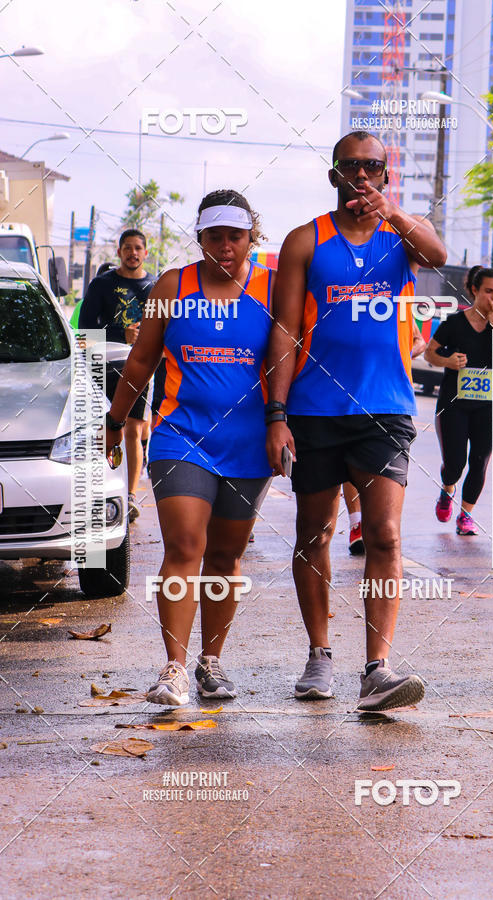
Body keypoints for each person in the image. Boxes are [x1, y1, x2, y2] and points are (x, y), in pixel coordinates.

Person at [265, 130, 446, 712]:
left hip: (386, 409)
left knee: (385, 535)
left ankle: (378, 669)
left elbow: (440, 256)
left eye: (373, 167)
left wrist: (393, 215)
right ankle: (319, 656)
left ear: (386, 176)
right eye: (351, 167)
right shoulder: (305, 241)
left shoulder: (402, 235)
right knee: (312, 535)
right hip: (314, 411)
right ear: (335, 176)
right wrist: (276, 413)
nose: (362, 176)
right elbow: (285, 331)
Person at [105, 190, 274, 706]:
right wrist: (115, 422)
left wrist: (287, 425)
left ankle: (211, 663)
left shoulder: (272, 287)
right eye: (214, 236)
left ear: (251, 237)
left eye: (235, 236)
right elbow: (141, 362)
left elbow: (291, 360)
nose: (224, 246)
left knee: (226, 556)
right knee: (184, 547)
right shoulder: (172, 285)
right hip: (181, 437)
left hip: (248, 444)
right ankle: (174, 668)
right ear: (199, 237)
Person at [423, 267, 493, 535]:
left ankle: (466, 515)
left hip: (487, 404)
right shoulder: (454, 323)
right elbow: (430, 353)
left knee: (480, 459)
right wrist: (447, 361)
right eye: (488, 291)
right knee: (455, 463)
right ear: (474, 290)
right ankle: (447, 489)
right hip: (454, 404)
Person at [79, 231, 154, 521]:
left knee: (134, 430)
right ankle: (103, 490)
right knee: (106, 429)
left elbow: (165, 329)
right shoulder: (102, 284)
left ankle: (130, 496)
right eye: (127, 248)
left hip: (139, 368)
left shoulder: (155, 287)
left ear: (145, 253)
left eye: (138, 248)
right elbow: (84, 330)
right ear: (119, 252)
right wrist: (120, 334)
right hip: (102, 366)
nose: (132, 253)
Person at [343, 319, 426, 557]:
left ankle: (374, 525)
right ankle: (356, 524)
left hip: (387, 400)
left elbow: (419, 341)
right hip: (344, 395)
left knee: (383, 475)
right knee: (348, 466)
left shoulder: (393, 303)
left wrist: (399, 352)